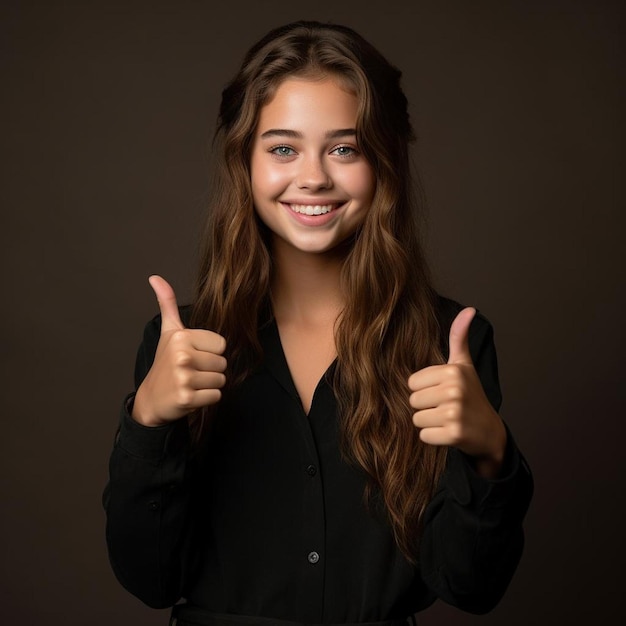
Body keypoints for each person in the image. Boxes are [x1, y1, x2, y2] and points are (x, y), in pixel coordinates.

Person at [103, 20, 533, 626]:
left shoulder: (450, 343)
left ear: (382, 161)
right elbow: (148, 578)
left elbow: (470, 585)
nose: (313, 177)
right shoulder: (182, 345)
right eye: (282, 148)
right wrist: (147, 424)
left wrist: (490, 454)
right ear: (243, 163)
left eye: (343, 148)